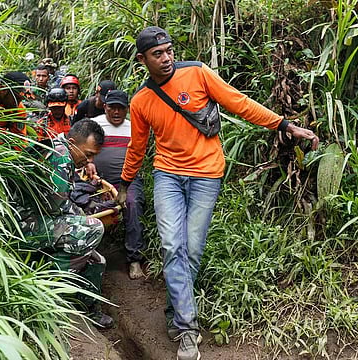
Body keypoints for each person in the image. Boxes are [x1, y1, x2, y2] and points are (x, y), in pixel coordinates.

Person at [116, 26, 320, 360]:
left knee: (191, 251)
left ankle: (173, 310)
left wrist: (284, 124)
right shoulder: (141, 101)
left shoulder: (196, 73)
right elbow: (138, 147)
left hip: (206, 174)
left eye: (169, 50)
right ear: (142, 59)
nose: (166, 58)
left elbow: (240, 103)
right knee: (172, 246)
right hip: (167, 176)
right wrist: (125, 183)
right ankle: (187, 329)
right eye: (157, 54)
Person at [16, 118, 114, 328]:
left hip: (40, 219)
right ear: (72, 142)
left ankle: (89, 309)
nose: (88, 161)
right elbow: (56, 206)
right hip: (24, 225)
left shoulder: (59, 148)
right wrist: (82, 217)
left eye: (93, 157)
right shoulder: (60, 157)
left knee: (98, 260)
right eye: (87, 155)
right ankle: (49, 287)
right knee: (93, 228)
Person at [90, 90, 146, 279]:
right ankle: (89, 256)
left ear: (126, 109)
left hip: (128, 181)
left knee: (133, 205)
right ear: (104, 106)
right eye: (111, 107)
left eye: (120, 108)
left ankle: (134, 259)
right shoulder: (94, 124)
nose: (115, 112)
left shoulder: (133, 127)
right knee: (86, 208)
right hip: (98, 182)